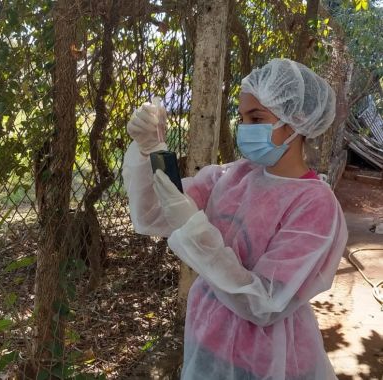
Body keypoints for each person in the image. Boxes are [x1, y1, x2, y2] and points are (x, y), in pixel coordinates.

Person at [122, 58, 348, 380]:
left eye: (256, 117)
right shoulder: (232, 176)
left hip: (270, 361)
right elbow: (154, 214)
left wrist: (192, 227)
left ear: (296, 121)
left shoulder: (315, 205)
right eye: (242, 118)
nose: (245, 128)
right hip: (207, 342)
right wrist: (152, 151)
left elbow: (264, 304)